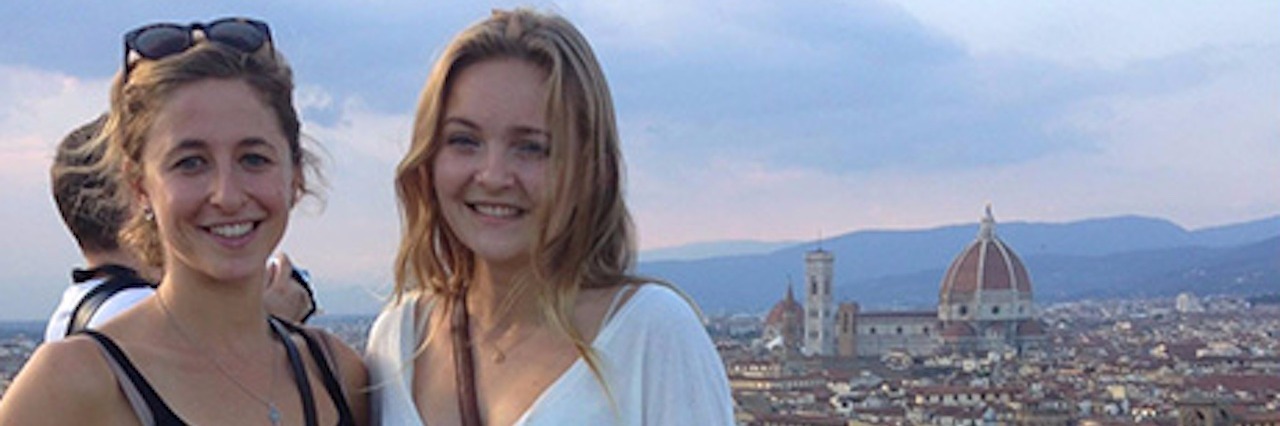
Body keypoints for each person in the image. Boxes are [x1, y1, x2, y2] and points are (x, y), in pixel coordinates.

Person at [364, 8, 733, 425]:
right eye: (464, 140)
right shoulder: (398, 341)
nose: (493, 176)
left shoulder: (652, 335)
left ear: (589, 168)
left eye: (532, 147)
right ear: (428, 158)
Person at [0, 17, 367, 425]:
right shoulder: (73, 386)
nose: (227, 195)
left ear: (294, 175)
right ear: (140, 187)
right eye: (190, 163)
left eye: (253, 159)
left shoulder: (336, 374)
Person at [44, 115, 319, 343]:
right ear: (137, 194)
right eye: (185, 166)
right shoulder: (134, 314)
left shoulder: (77, 311)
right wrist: (267, 322)